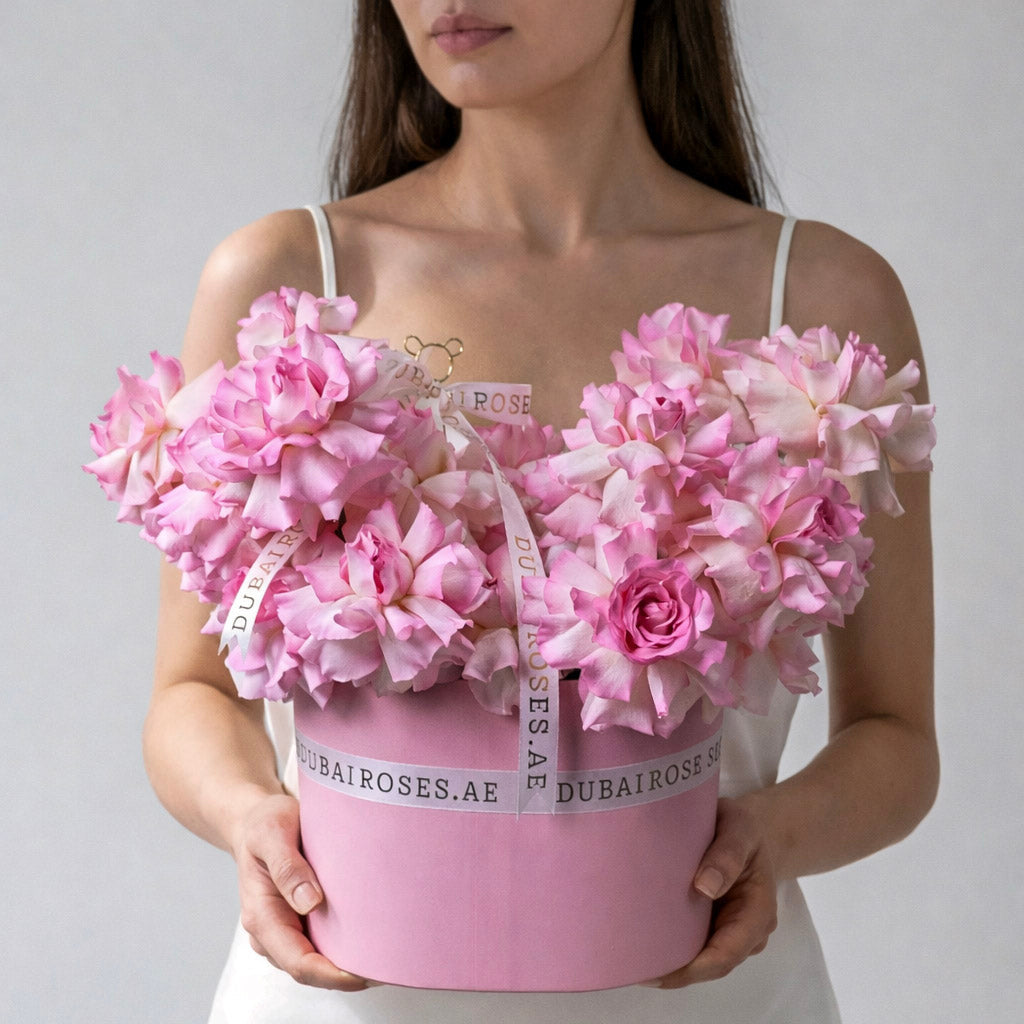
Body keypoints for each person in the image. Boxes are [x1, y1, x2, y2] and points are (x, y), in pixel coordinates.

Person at [146, 2, 938, 1021]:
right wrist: (245, 812)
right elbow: (188, 690)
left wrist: (773, 836)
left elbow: (894, 734)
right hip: (344, 993)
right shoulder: (290, 282)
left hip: (701, 993)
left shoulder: (823, 299)